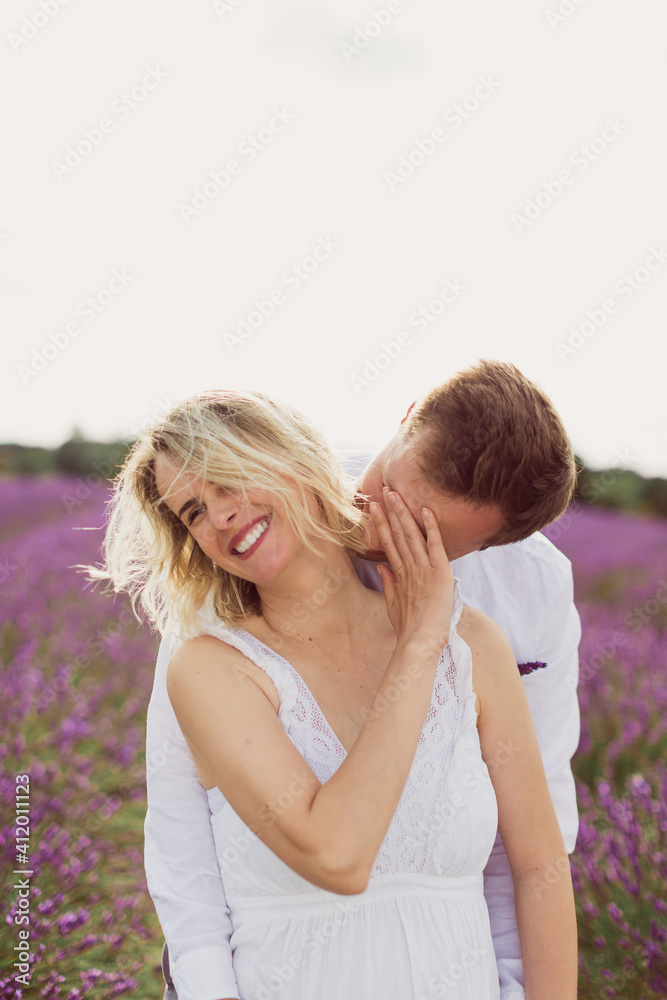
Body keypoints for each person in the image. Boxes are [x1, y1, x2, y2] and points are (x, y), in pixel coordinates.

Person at [93, 376, 578, 999]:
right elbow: (189, 847)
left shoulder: (493, 626)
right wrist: (421, 642)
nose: (219, 515)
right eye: (193, 510)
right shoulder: (210, 655)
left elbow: (537, 860)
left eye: (229, 479)